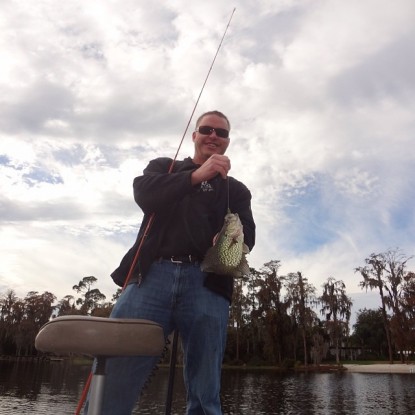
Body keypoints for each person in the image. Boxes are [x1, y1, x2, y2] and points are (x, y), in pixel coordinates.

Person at [87, 110, 255, 414]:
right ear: (195, 135)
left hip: (208, 284)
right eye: (207, 129)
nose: (214, 136)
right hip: (151, 277)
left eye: (222, 133)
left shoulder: (238, 190)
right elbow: (145, 194)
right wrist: (196, 175)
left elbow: (248, 237)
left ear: (228, 142)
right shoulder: (164, 168)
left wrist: (233, 241)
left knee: (206, 387)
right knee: (117, 363)